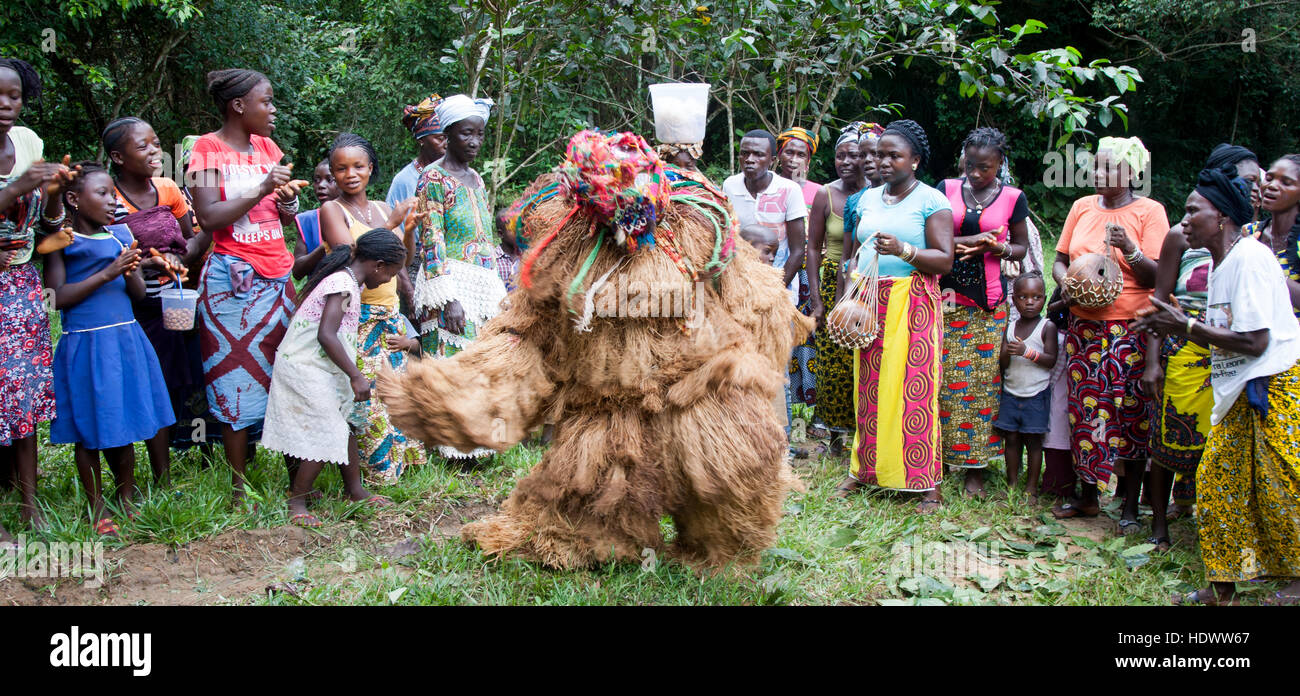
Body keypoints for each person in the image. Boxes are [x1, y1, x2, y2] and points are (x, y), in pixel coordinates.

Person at [1134, 165, 1300, 605]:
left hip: (1273, 387)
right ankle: (1222, 587)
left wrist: (1184, 325)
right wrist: (1175, 325)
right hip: (1239, 390)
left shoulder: (1248, 258)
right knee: (1216, 484)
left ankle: (1296, 582)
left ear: (1222, 217)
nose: (1184, 221)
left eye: (1193, 212)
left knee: (1281, 484)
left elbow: (1255, 340)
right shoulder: (1223, 263)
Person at [187, 68, 303, 505]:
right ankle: (239, 489)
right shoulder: (205, 150)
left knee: (288, 370)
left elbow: (282, 215)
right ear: (238, 106)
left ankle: (297, 482)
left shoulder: (267, 147)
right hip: (232, 282)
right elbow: (211, 218)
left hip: (278, 274)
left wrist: (288, 200)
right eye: (266, 102)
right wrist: (260, 187)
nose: (272, 110)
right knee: (233, 375)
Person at [45, 164, 174, 537]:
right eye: (101, 193)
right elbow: (56, 298)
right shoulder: (62, 241)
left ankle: (127, 498)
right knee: (90, 428)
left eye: (112, 194)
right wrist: (109, 271)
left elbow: (136, 294)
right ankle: (97, 507)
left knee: (125, 419)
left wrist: (132, 267)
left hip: (125, 340)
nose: (111, 201)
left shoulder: (119, 235)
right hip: (87, 343)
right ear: (73, 198)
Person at [833, 119, 954, 512]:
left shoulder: (932, 201)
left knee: (912, 387)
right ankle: (865, 470)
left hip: (912, 301)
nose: (883, 162)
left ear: (915, 160)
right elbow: (854, 252)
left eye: (893, 155)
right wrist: (847, 294)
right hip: (868, 299)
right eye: (879, 155)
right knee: (867, 386)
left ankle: (926, 482)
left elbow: (944, 260)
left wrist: (903, 249)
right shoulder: (867, 198)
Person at [1051, 136, 1168, 534]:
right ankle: (1088, 495)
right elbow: (1060, 259)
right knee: (1086, 412)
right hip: (1084, 328)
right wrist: (1067, 284)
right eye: (1094, 167)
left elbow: (1158, 277)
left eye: (1107, 168)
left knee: (1130, 414)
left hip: (1130, 331)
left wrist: (1130, 250)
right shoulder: (1081, 207)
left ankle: (1130, 506)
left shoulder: (1149, 212)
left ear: (1133, 172)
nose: (1097, 174)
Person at [261, 229, 408, 527]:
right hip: (305, 366)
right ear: (378, 265)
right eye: (391, 273)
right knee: (328, 431)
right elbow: (326, 335)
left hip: (320, 366)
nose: (389, 280)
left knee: (347, 424)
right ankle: (297, 501)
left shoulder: (348, 282)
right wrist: (356, 376)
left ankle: (354, 490)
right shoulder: (343, 285)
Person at [102, 116, 211, 487]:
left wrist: (184, 258)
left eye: (155, 142)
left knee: (185, 380)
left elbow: (191, 238)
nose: (154, 151)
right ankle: (147, 477)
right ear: (117, 157)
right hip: (132, 308)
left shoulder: (167, 189)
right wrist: (140, 263)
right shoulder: (105, 198)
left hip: (176, 301)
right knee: (150, 385)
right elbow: (97, 253)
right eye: (142, 145)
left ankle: (188, 462)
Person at [318, 132, 422, 483]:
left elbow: (398, 258)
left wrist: (407, 230)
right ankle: (373, 472)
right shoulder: (332, 210)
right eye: (341, 168)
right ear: (332, 174)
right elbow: (351, 257)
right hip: (357, 315)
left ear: (370, 168)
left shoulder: (378, 207)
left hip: (389, 313)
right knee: (367, 399)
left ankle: (403, 464)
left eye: (358, 166)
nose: (350, 174)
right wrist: (392, 224)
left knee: (397, 393)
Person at [0, 57, 75, 542]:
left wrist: (51, 193)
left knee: (23, 393)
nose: (7, 105)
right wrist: (18, 186)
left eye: (14, 96)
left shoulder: (28, 142)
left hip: (20, 287)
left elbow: (47, 226)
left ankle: (30, 504)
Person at [409, 93, 507, 462]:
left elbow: (485, 238)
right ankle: (448, 449)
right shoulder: (431, 178)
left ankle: (477, 447)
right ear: (447, 134)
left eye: (480, 135)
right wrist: (448, 296)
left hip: (481, 283)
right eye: (467, 134)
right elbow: (431, 241)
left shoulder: (476, 179)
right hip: (450, 284)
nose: (474, 142)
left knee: (480, 365)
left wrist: (496, 287)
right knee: (451, 364)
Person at [936, 127, 1030, 495]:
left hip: (989, 304)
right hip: (945, 300)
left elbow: (1020, 247)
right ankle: (940, 459)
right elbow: (934, 240)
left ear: (1000, 164)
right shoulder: (944, 190)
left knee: (982, 386)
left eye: (985, 168)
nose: (975, 174)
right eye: (971, 166)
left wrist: (996, 249)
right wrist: (968, 242)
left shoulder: (1013, 197)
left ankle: (974, 467)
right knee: (942, 383)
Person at [722, 129, 808, 439]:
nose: (750, 159)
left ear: (772, 159)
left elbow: (798, 250)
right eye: (745, 152)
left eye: (758, 154)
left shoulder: (789, 191)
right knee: (739, 360)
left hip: (777, 292)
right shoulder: (730, 186)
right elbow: (726, 240)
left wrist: (771, 289)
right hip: (738, 293)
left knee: (774, 363)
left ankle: (780, 438)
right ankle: (741, 434)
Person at [807, 122, 878, 454]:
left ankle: (866, 430)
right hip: (834, 275)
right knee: (834, 359)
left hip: (869, 279)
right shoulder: (826, 194)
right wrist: (818, 300)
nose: (846, 162)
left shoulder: (877, 195)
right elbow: (811, 247)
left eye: (854, 156)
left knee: (865, 356)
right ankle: (836, 435)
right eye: (840, 156)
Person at [995, 272, 1057, 501]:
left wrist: (1026, 352)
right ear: (1014, 300)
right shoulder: (1009, 327)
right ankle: (1011, 483)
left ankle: (1031, 486)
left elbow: (1050, 360)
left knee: (1033, 442)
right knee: (1011, 439)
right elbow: (1003, 364)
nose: (1030, 302)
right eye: (1023, 297)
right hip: (1011, 393)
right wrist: (1006, 353)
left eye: (1037, 297)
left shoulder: (1046, 327)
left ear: (1044, 298)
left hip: (1036, 395)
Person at [777, 127, 822, 412]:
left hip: (809, 273)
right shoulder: (768, 187)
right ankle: (784, 408)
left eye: (800, 154)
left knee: (808, 343)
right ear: (778, 155)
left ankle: (808, 412)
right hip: (780, 270)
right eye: (788, 152)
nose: (793, 159)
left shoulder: (819, 192)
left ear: (808, 160)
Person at [1244, 155, 1300, 317]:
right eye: (1269, 178)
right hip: (1253, 337)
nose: (1272, 186)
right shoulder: (1249, 232)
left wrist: (1265, 269)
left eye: (1286, 182)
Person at [387, 94, 445, 234]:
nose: (446, 144)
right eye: (440, 139)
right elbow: (394, 230)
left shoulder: (455, 174)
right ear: (421, 140)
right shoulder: (404, 180)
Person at [292, 159, 337, 280]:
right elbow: (297, 272)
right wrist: (326, 246)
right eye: (316, 180)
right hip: (317, 293)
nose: (321, 185)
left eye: (330, 180)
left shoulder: (356, 216)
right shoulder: (307, 221)